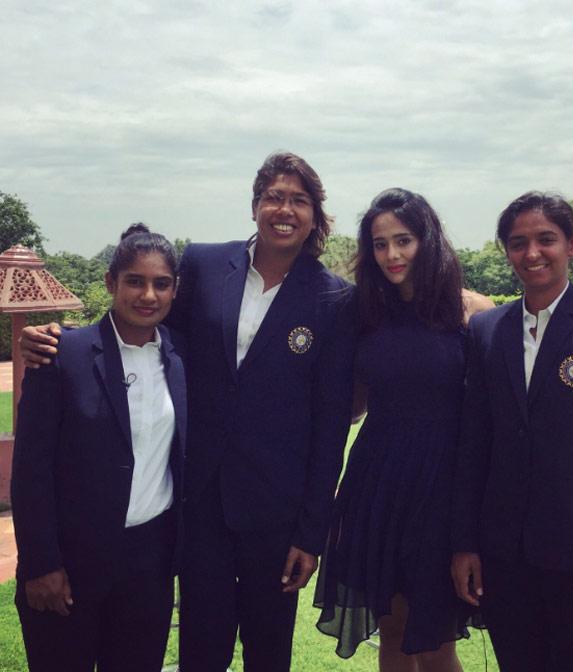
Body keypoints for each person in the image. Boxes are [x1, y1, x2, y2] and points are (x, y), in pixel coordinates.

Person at [20, 152, 355, 672]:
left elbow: (331, 424)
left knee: (269, 654)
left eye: (298, 200)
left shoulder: (334, 299)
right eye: (273, 197)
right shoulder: (201, 264)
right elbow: (148, 326)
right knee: (201, 650)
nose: (283, 209)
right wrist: (61, 339)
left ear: (314, 214)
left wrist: (310, 534)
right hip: (198, 508)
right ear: (254, 206)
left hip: (275, 513)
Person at [450, 192, 573, 672]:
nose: (532, 253)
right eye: (518, 243)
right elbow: (474, 445)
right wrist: (465, 544)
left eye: (546, 240)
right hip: (504, 559)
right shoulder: (487, 331)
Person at [315, 188, 491, 672]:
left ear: (428, 240)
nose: (391, 254)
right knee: (391, 631)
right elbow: (347, 406)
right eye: (379, 243)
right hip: (378, 484)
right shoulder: (364, 314)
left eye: (403, 240)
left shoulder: (474, 313)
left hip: (445, 487)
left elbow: (491, 421)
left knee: (435, 641)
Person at [11, 225, 187, 672]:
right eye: (134, 280)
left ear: (175, 290)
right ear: (111, 283)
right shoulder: (61, 354)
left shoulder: (184, 357)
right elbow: (31, 469)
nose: (148, 294)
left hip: (148, 566)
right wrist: (41, 563)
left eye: (161, 283)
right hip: (69, 561)